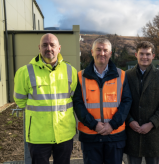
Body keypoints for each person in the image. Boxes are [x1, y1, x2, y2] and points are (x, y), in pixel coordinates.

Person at [13, 33, 78, 164]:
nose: (49, 48)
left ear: (59, 48)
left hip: (64, 134)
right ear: (39, 48)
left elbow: (74, 97)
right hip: (38, 136)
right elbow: (20, 100)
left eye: (52, 45)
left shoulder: (71, 71)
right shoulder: (25, 72)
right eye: (45, 45)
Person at [73, 38, 132, 164]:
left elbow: (126, 102)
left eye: (105, 50)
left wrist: (112, 125)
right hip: (90, 135)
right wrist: (94, 125)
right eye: (98, 50)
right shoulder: (80, 76)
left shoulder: (121, 75)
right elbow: (78, 104)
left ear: (110, 53)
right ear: (92, 52)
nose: (102, 53)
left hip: (115, 135)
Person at [124, 41, 159, 164]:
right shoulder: (126, 76)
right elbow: (121, 102)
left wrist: (151, 123)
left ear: (153, 56)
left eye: (148, 54)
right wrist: (129, 121)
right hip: (132, 133)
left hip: (153, 134)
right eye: (141, 54)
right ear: (136, 55)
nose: (144, 57)